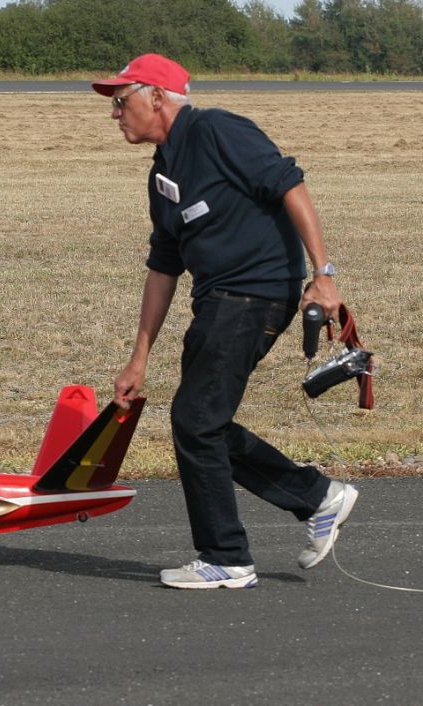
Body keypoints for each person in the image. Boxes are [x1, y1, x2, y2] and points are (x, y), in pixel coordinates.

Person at [92, 54, 359, 589]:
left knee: (196, 421)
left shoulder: (217, 129)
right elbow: (163, 269)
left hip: (253, 295)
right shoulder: (163, 173)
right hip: (215, 302)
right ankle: (316, 497)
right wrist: (138, 358)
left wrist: (323, 274)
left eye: (122, 102)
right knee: (201, 421)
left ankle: (227, 558)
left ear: (158, 97)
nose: (115, 114)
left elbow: (292, 187)